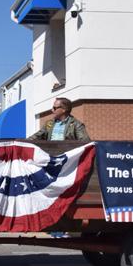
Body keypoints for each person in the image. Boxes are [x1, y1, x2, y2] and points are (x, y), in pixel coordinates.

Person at [29, 98, 90, 238]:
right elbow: (36, 137)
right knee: (49, 195)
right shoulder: (49, 124)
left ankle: (61, 228)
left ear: (64, 109)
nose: (52, 110)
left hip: (67, 167)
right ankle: (52, 226)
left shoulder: (76, 124)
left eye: (55, 108)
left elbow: (85, 142)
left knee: (63, 196)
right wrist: (21, 143)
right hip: (51, 166)